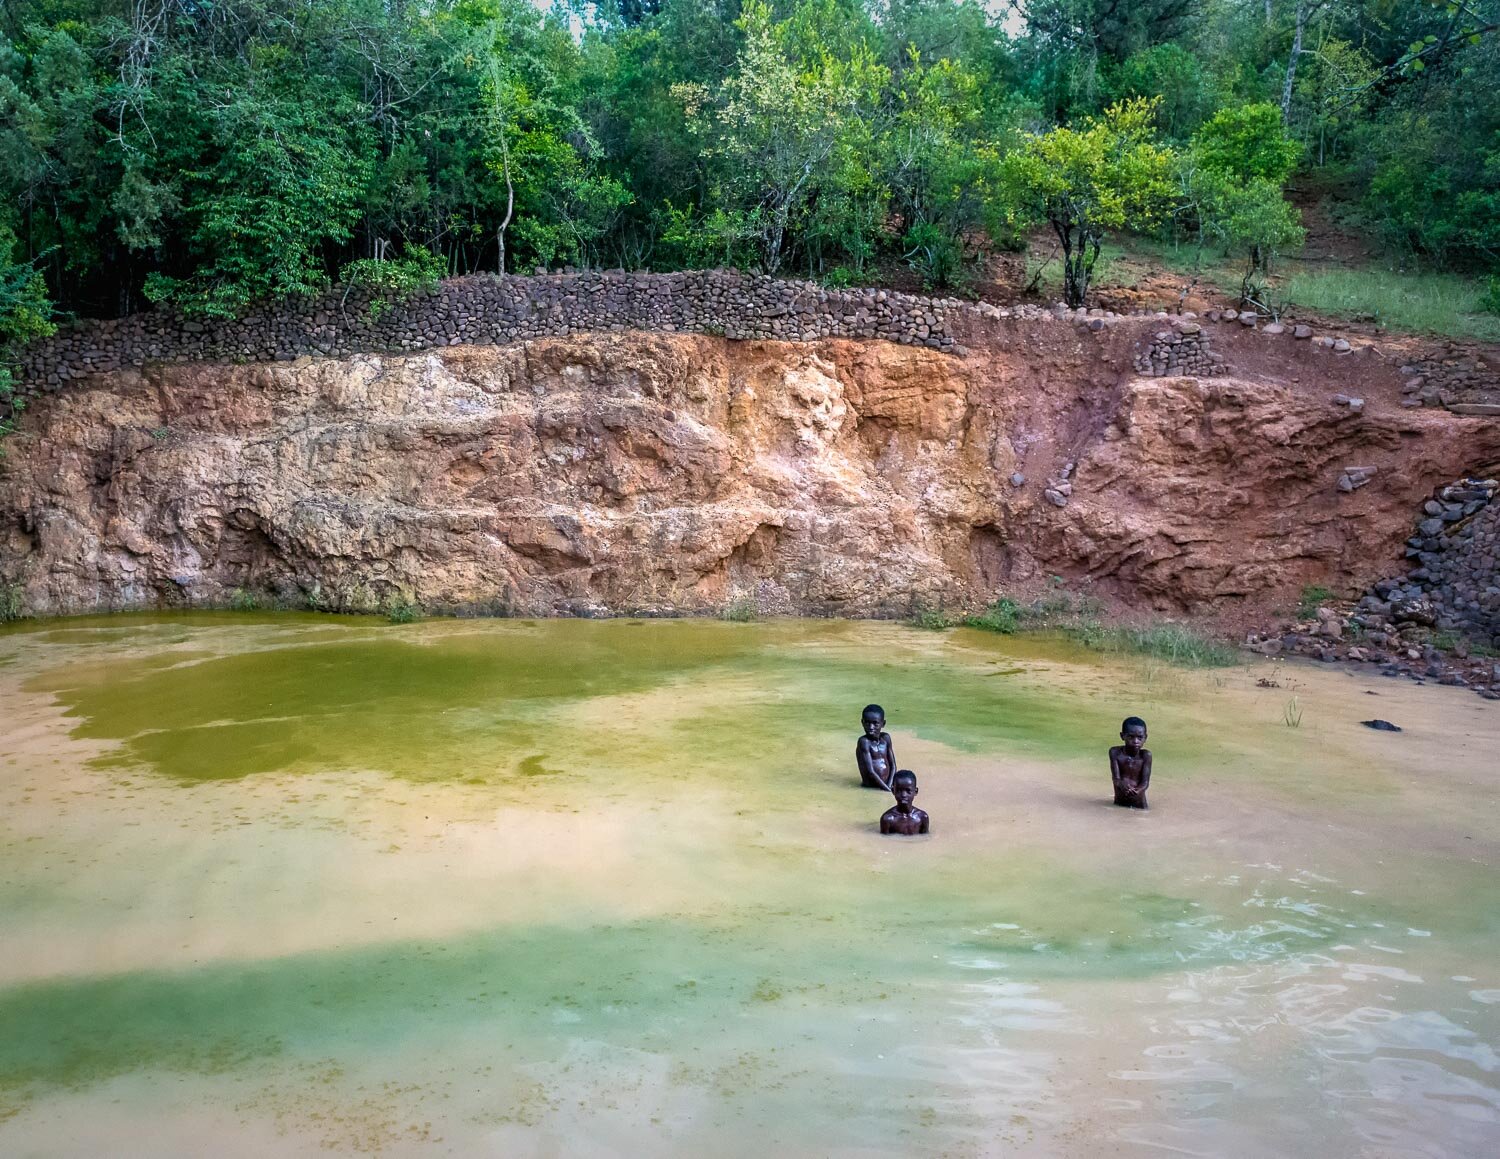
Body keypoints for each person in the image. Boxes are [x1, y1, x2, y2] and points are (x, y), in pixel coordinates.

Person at [1109, 716, 1152, 809]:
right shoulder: (1115, 752)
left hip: (1139, 804)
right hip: (1119, 802)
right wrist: (1121, 784)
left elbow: (1145, 783)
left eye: (1140, 737)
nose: (1136, 741)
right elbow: (1116, 779)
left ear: (1145, 738)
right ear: (1122, 736)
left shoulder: (1146, 756)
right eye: (1131, 737)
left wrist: (1138, 790)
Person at [856, 704, 897, 791]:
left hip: (886, 785)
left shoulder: (886, 738)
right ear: (862, 723)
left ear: (883, 723)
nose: (871, 727)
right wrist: (888, 790)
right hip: (870, 788)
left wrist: (889, 785)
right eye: (867, 723)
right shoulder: (864, 742)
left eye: (875, 723)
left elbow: (893, 765)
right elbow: (870, 772)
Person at [880, 770, 930, 835]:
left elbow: (925, 839)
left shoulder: (922, 817)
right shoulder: (887, 819)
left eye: (908, 791)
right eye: (899, 790)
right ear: (893, 791)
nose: (903, 795)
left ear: (915, 791)